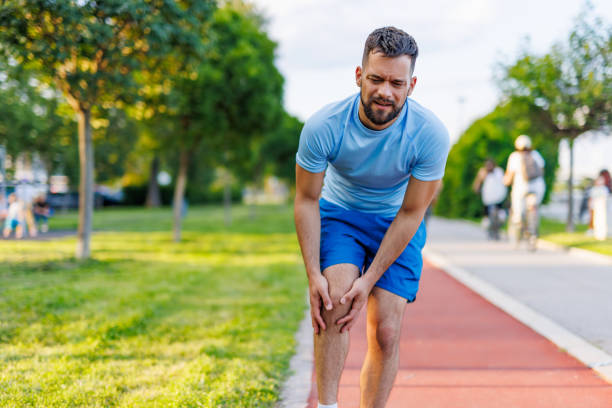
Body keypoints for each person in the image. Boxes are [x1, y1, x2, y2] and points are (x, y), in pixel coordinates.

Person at [294, 27, 450, 408]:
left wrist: (369, 279)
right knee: (333, 304)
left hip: (396, 221)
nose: (385, 92)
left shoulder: (429, 135)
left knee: (387, 332)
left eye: (397, 83)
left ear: (411, 86)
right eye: (377, 79)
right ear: (359, 75)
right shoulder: (324, 125)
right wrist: (313, 274)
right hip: (341, 215)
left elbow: (412, 212)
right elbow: (306, 200)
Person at [504, 135, 545, 248]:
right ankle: (533, 231)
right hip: (538, 187)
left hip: (521, 188)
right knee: (534, 207)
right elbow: (542, 171)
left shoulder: (514, 156)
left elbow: (509, 176)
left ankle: (519, 225)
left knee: (518, 211)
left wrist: (506, 182)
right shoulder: (536, 154)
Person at [472, 159, 507, 239]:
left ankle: (497, 230)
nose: (489, 167)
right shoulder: (483, 172)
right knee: (487, 218)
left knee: (501, 216)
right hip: (488, 199)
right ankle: (489, 231)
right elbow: (477, 183)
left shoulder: (499, 171)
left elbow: (504, 183)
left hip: (499, 198)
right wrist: (477, 189)